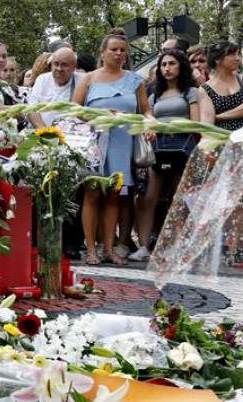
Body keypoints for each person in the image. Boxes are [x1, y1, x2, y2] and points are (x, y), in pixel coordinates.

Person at [73, 29, 151, 266]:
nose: (118, 54)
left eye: (122, 51)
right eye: (114, 50)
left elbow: (145, 110)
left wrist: (149, 123)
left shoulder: (136, 80)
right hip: (94, 142)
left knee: (114, 196)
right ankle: (91, 249)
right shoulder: (89, 79)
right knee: (93, 194)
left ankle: (109, 248)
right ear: (103, 52)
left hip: (121, 141)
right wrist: (99, 114)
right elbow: (74, 110)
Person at [130, 49, 200, 262]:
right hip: (158, 149)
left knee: (180, 199)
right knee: (148, 199)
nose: (167, 68)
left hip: (183, 147)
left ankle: (180, 247)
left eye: (172, 63)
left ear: (181, 66)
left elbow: (196, 125)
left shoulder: (191, 92)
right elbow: (147, 121)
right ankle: (143, 246)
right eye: (163, 64)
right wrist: (150, 129)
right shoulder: (154, 95)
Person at [28, 47, 81, 129]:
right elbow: (32, 109)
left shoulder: (82, 81)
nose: (59, 69)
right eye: (56, 64)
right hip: (43, 133)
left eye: (64, 65)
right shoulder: (42, 80)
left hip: (72, 135)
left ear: (74, 67)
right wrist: (45, 132)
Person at [200, 41, 243, 131]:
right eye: (232, 55)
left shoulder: (241, 79)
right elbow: (207, 120)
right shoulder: (205, 89)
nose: (237, 58)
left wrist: (218, 116)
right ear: (217, 59)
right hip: (223, 139)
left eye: (237, 54)